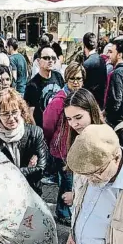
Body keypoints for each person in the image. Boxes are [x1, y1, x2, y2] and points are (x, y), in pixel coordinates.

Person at [0, 88, 49, 194]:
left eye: (14, 112)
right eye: (5, 114)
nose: (11, 118)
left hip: (31, 191)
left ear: (21, 111)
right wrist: (26, 170)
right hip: (3, 193)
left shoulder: (35, 133)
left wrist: (8, 172)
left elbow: (41, 168)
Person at [43, 65, 87, 222]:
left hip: (78, 147)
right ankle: (63, 213)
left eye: (79, 79)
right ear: (66, 79)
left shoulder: (82, 97)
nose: (76, 82)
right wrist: (53, 142)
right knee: (67, 182)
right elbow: (47, 125)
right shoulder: (59, 100)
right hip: (62, 149)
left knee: (72, 181)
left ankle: (67, 210)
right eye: (72, 79)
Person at [24, 46, 64, 127]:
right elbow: (29, 113)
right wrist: (37, 133)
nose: (50, 61)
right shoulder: (32, 85)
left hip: (59, 126)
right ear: (38, 61)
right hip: (42, 129)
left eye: (53, 58)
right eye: (46, 58)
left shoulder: (58, 76)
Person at [81, 32, 107, 108]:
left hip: (88, 102)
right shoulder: (102, 60)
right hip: (100, 102)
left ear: (84, 45)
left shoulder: (86, 64)